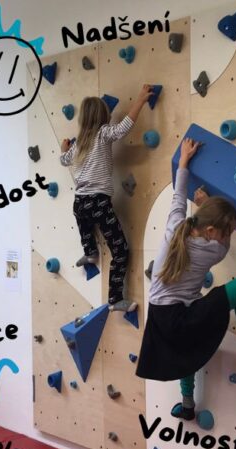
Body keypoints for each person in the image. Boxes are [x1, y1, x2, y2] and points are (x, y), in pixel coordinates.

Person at [136, 138, 236, 419]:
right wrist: (205, 200)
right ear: (210, 232)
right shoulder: (214, 251)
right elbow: (223, 245)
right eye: (227, 231)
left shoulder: (175, 228)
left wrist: (184, 161)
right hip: (179, 318)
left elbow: (177, 196)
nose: (228, 236)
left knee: (186, 349)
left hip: (160, 318)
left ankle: (187, 405)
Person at [60, 85, 152, 311]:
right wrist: (140, 100)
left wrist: (63, 148)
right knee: (120, 250)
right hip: (98, 203)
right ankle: (115, 299)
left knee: (85, 226)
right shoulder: (103, 133)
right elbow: (123, 128)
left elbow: (64, 160)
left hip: (79, 203)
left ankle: (90, 252)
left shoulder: (79, 143)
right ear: (103, 116)